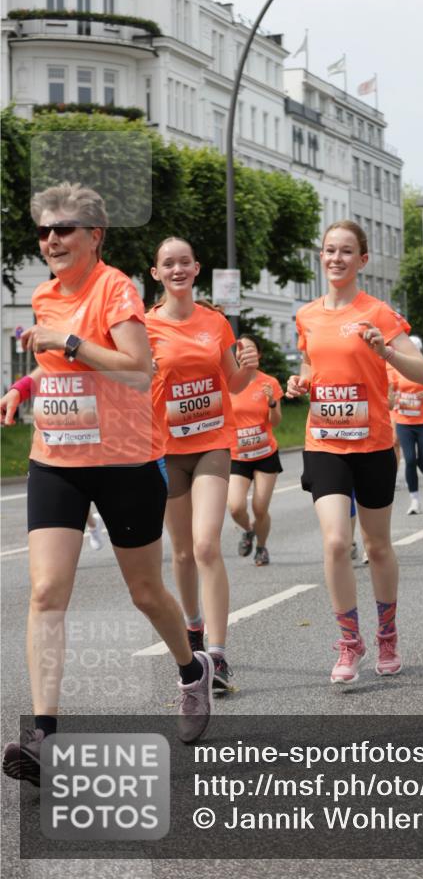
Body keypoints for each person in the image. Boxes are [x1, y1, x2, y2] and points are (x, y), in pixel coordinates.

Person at [1, 185, 212, 786]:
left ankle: (190, 669)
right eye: (44, 231)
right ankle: (44, 736)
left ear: (95, 236)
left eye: (64, 229)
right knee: (45, 592)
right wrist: (23, 389)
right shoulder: (43, 293)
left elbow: (137, 368)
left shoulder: (114, 288)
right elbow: (57, 372)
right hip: (57, 459)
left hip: (124, 461)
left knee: (146, 592)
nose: (51, 240)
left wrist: (68, 341)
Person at [286, 220, 423, 685]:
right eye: (329, 250)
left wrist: (387, 354)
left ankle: (387, 634)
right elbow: (311, 362)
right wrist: (301, 381)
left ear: (362, 260)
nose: (336, 258)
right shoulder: (306, 315)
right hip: (323, 442)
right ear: (321, 256)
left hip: (371, 444)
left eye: (346, 251)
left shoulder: (379, 314)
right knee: (334, 541)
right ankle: (350, 642)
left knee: (377, 544)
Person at [147, 237, 259, 694]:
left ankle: (217, 654)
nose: (177, 269)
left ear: (197, 269)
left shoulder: (215, 323)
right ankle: (192, 628)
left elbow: (233, 383)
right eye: (167, 264)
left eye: (184, 262)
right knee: (180, 552)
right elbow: (127, 382)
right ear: (156, 273)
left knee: (206, 544)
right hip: (167, 448)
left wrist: (249, 367)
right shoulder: (144, 325)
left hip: (214, 440)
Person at [227, 334, 283, 567]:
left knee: (260, 508)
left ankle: (261, 547)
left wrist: (271, 403)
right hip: (237, 455)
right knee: (236, 506)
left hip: (265, 454)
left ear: (258, 354)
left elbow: (277, 421)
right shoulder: (227, 383)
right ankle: (248, 531)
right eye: (239, 349)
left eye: (249, 348)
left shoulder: (269, 383)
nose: (243, 352)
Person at [388, 336, 423, 515]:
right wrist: (392, 398)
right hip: (404, 422)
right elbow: (390, 397)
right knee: (410, 460)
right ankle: (414, 500)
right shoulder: (396, 371)